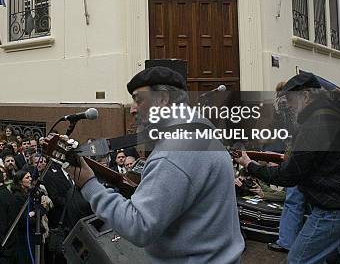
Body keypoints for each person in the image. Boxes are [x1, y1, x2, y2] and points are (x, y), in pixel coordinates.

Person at [67, 66, 244, 263]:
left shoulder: (174, 152)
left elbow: (139, 226)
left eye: (138, 99)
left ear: (162, 99)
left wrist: (89, 185)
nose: (132, 109)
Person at [236, 72, 340, 264]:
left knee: (298, 260)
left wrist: (250, 165)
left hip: (335, 208)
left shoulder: (314, 124)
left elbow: (288, 176)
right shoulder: (333, 114)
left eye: (290, 99)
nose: (289, 106)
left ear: (306, 96)